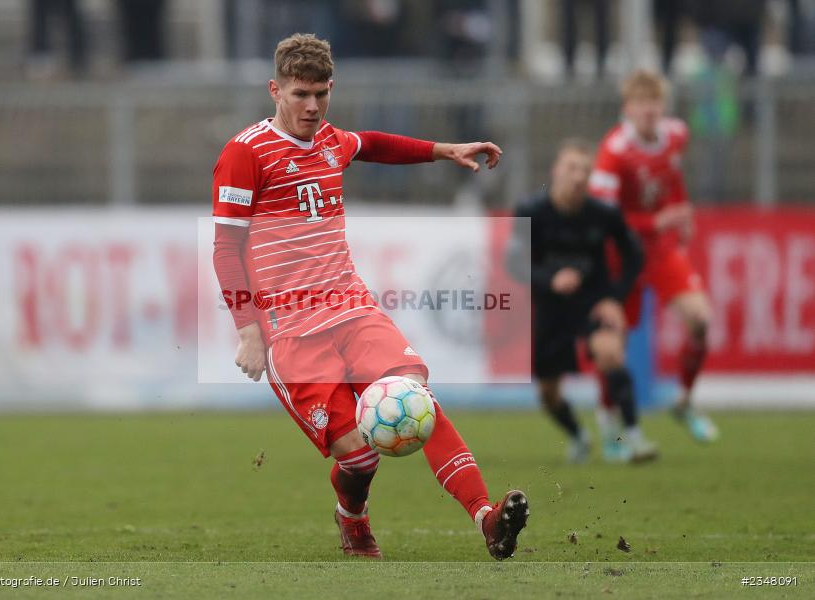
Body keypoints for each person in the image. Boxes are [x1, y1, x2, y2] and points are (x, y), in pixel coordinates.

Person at [211, 33, 528, 560]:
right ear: (275, 90)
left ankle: (487, 519)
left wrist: (443, 150)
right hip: (291, 332)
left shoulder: (332, 141)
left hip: (350, 308)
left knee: (415, 400)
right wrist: (248, 330)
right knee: (358, 460)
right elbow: (226, 249)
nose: (313, 107)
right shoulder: (245, 154)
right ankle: (351, 517)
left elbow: (373, 144)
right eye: (300, 95)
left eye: (322, 94)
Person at [589, 70, 719, 443]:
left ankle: (684, 401)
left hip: (661, 250)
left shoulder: (676, 135)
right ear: (627, 108)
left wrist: (684, 209)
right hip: (623, 253)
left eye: (655, 102)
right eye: (641, 103)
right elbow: (604, 218)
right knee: (614, 345)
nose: (649, 110)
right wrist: (656, 220)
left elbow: (673, 179)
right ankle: (609, 417)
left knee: (700, 319)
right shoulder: (614, 152)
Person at [508, 139, 656, 464]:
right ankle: (578, 435)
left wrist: (615, 298)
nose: (579, 177)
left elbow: (634, 256)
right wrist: (551, 279)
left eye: (585, 171)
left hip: (593, 302)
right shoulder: (531, 211)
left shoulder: (604, 214)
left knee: (610, 354)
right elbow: (515, 264)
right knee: (548, 394)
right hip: (551, 308)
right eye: (572, 168)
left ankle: (633, 436)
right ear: (556, 171)